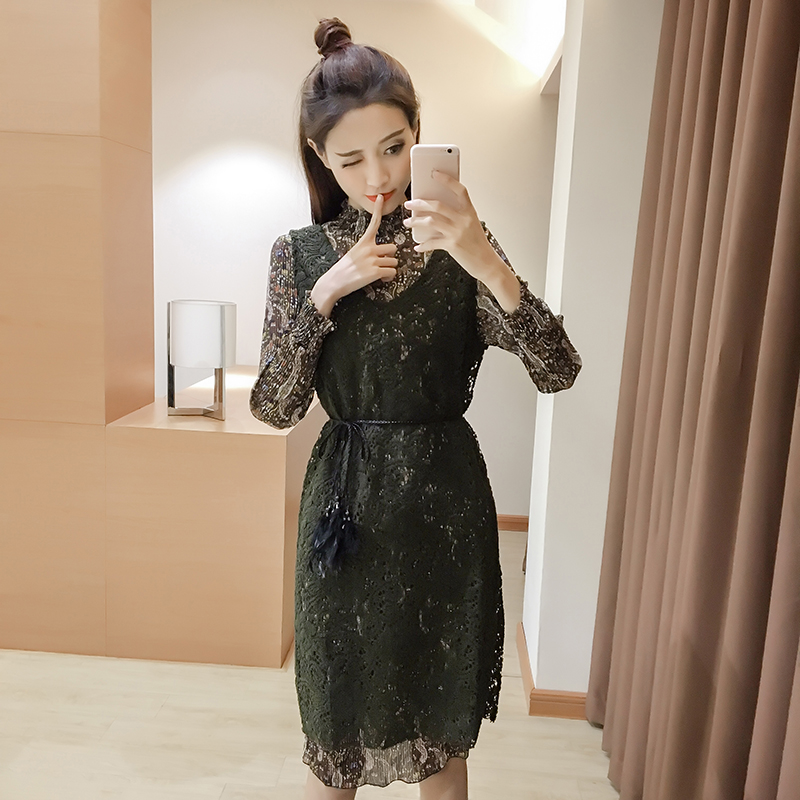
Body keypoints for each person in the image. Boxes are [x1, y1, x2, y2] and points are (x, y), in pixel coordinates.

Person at [249, 17, 582, 800]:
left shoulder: (458, 246)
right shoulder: (299, 255)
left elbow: (558, 369)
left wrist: (485, 259)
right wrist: (326, 294)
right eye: (351, 158)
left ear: (419, 135)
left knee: (440, 738)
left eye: (395, 147)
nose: (379, 176)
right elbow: (275, 406)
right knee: (333, 739)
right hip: (343, 522)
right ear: (319, 157)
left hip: (444, 516)